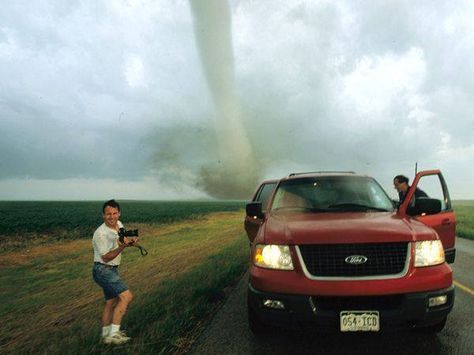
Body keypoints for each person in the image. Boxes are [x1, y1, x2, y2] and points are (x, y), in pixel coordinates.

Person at [92, 199, 136, 345]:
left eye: (114, 213)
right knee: (126, 297)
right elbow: (105, 257)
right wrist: (122, 247)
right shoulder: (100, 234)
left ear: (119, 213)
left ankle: (105, 336)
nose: (112, 217)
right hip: (102, 269)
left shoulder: (119, 224)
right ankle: (114, 334)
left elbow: (121, 237)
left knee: (111, 302)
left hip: (111, 269)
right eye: (108, 214)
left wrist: (130, 241)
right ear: (103, 215)